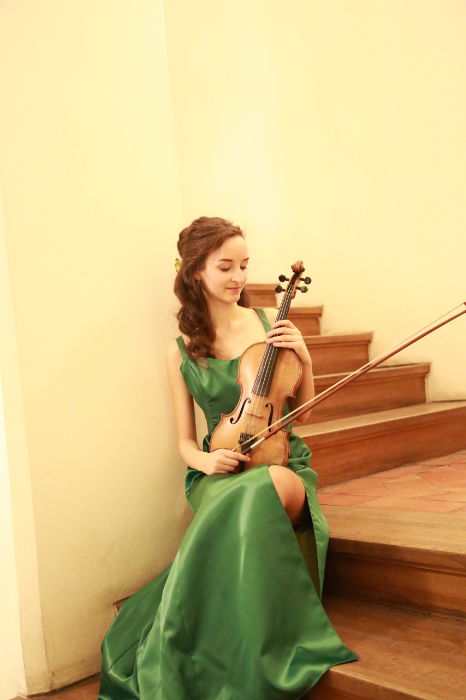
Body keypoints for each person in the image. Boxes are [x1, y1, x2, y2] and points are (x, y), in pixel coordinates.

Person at [97, 216, 359, 699]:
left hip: (283, 463)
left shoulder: (269, 325)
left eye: (244, 265)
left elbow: (303, 409)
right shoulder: (179, 351)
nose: (239, 277)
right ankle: (213, 646)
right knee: (237, 498)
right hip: (217, 469)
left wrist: (306, 356)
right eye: (226, 267)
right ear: (196, 271)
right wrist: (202, 463)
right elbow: (182, 442)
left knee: (262, 489)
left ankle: (259, 649)